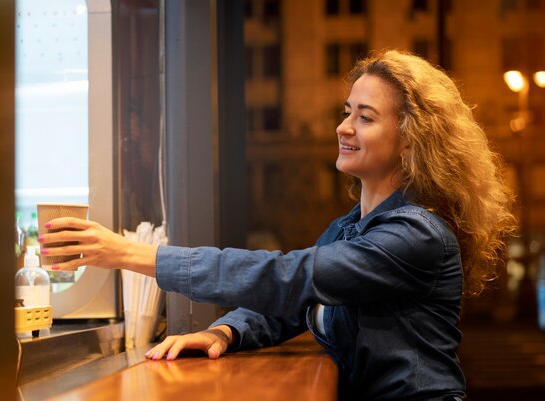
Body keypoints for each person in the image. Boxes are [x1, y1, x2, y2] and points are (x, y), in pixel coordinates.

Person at [39, 50, 517, 400]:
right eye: (346, 111)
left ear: (412, 142)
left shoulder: (418, 236)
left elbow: (291, 277)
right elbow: (290, 305)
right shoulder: (350, 229)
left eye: (365, 117)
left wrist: (129, 254)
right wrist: (225, 332)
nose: (343, 126)